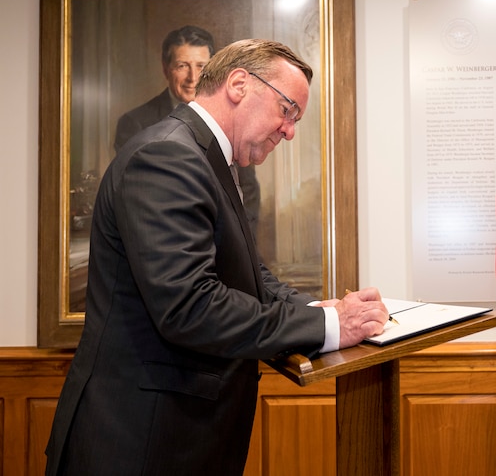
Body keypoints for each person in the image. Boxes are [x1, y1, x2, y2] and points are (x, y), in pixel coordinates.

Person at [45, 39, 389, 476]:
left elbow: (250, 276)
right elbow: (191, 306)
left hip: (178, 438)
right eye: (288, 110)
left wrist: (321, 309)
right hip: (140, 443)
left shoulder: (210, 159)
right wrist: (330, 327)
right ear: (239, 84)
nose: (290, 130)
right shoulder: (167, 156)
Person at [114, 25, 261, 231]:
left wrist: (242, 252)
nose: (193, 77)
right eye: (182, 66)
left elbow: (248, 191)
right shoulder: (134, 124)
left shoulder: (232, 121)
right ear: (166, 68)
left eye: (201, 66)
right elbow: (139, 205)